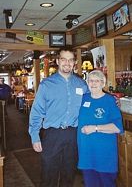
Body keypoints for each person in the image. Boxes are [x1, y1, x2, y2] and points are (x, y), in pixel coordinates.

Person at [29, 47, 88, 187]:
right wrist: (34, 136)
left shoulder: (82, 84)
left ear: (75, 62)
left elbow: (93, 101)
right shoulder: (47, 85)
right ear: (57, 61)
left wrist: (111, 101)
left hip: (73, 135)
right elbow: (37, 112)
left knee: (69, 175)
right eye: (63, 59)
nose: (67, 63)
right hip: (52, 135)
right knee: (48, 175)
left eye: (70, 60)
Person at [77, 70, 124, 187]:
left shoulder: (110, 100)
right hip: (86, 152)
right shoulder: (83, 99)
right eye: (91, 80)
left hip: (104, 154)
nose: (93, 83)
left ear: (103, 83)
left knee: (107, 183)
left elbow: (117, 127)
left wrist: (95, 128)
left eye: (97, 81)